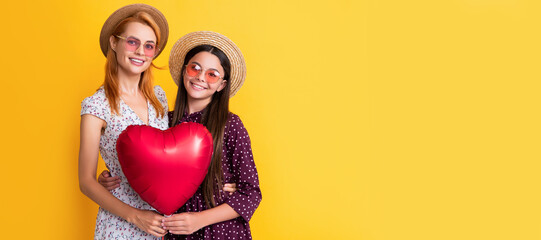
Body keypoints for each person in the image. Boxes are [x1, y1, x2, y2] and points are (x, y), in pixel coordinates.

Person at [78, 4, 170, 239]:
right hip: (120, 224)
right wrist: (135, 216)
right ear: (114, 43)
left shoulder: (158, 97)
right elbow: (86, 182)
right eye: (132, 41)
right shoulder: (96, 105)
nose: (140, 51)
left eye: (149, 46)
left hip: (162, 222)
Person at [163, 31, 262, 239]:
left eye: (212, 74)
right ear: (184, 71)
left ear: (221, 85)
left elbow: (250, 194)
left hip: (221, 233)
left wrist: (199, 220)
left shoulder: (230, 125)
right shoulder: (164, 121)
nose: (200, 77)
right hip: (178, 232)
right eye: (195, 68)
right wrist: (109, 180)